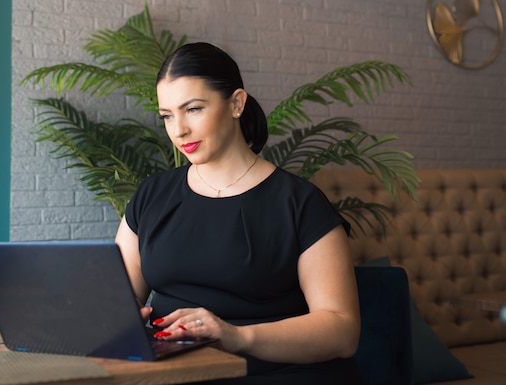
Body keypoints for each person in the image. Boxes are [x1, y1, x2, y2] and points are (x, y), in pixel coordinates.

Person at [115, 42, 362, 384]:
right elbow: (118, 301)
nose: (179, 130)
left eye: (194, 109)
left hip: (279, 373)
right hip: (175, 372)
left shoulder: (300, 203)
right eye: (167, 115)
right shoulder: (151, 195)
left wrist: (236, 336)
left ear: (236, 103)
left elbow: (342, 331)